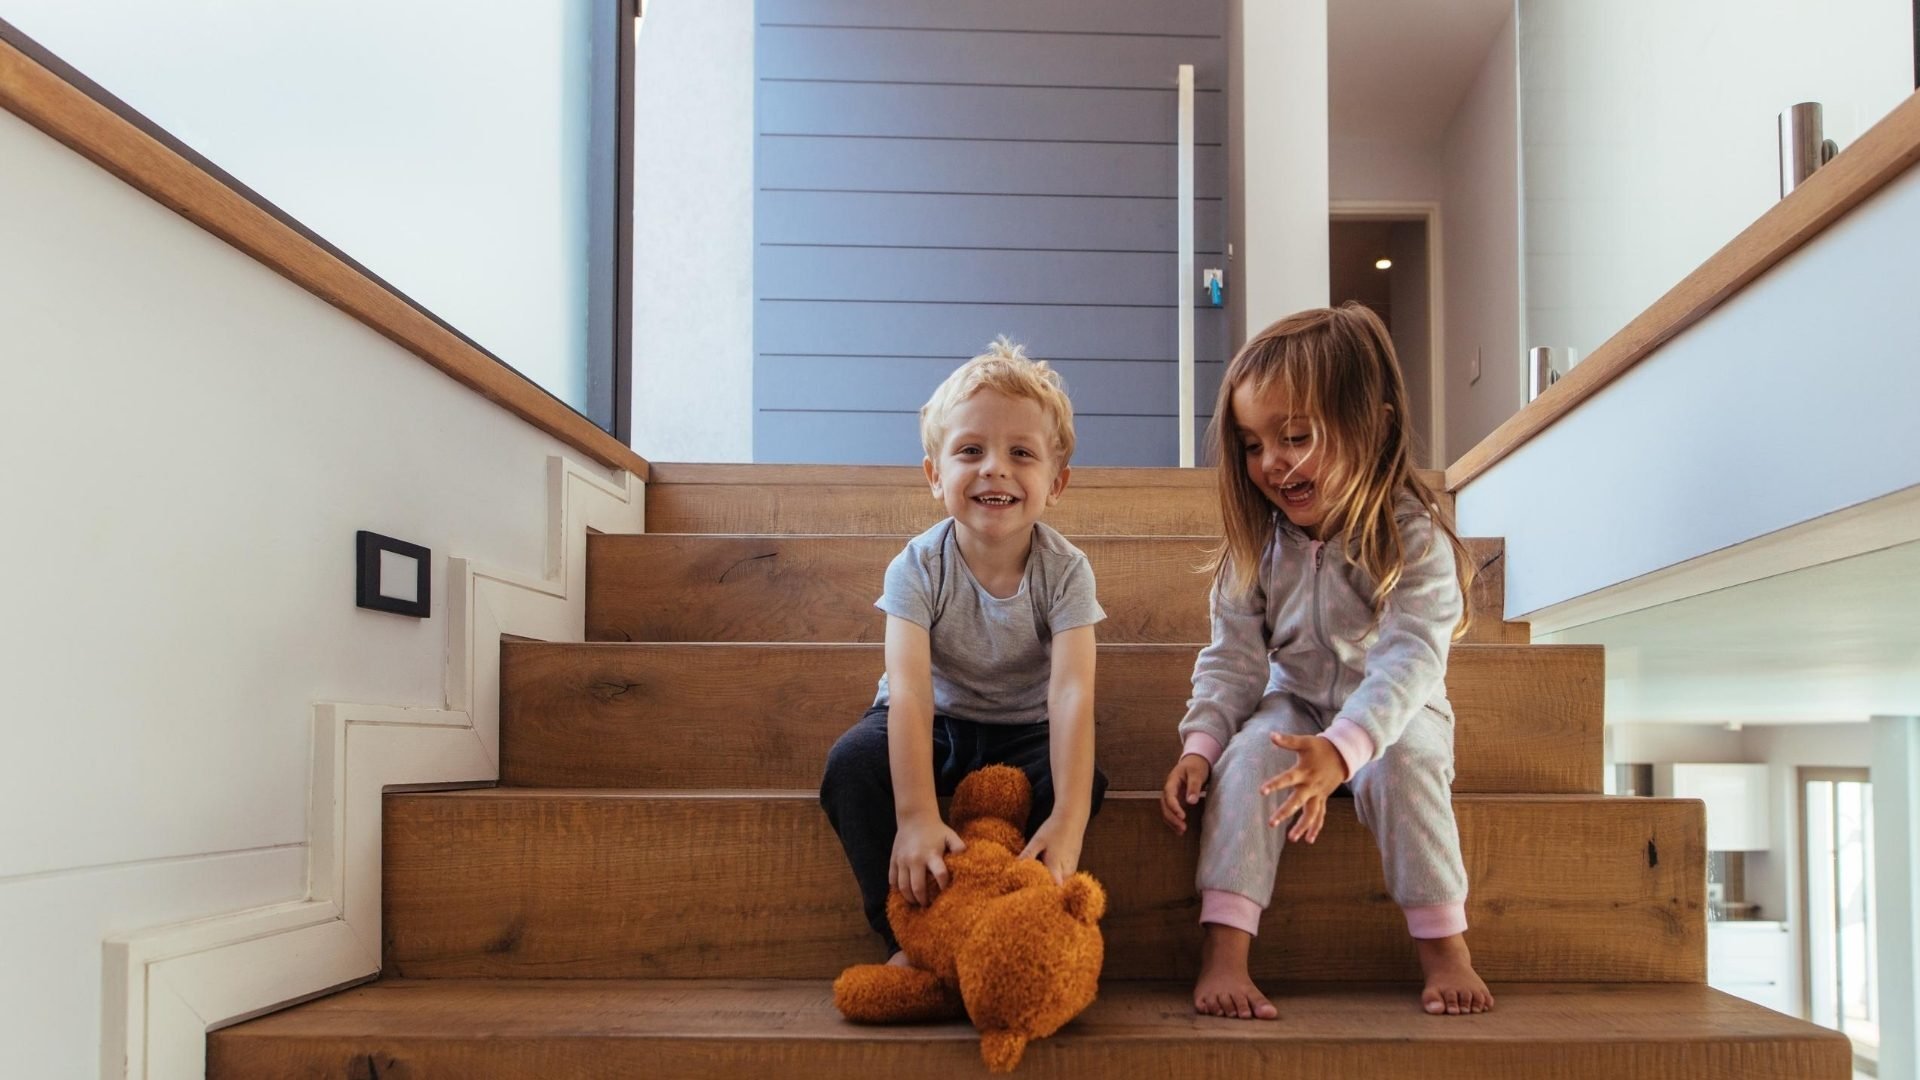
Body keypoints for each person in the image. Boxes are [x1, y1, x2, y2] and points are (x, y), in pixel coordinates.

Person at [1160, 304, 1493, 1019]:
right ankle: (1224, 952)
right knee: (1248, 758)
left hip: (1393, 712)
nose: (1270, 463)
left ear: (1369, 427)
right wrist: (1202, 743)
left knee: (1406, 763)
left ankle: (1444, 948)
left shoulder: (1413, 542)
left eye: (1296, 437)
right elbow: (1232, 662)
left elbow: (1409, 661)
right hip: (1295, 702)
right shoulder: (1260, 548)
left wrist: (1344, 751)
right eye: (1252, 445)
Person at [821, 338, 1107, 965]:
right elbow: (911, 693)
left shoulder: (1066, 571)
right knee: (850, 767)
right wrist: (919, 813)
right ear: (935, 475)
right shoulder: (918, 566)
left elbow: (1071, 693)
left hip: (1025, 731)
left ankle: (1016, 927)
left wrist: (1070, 821)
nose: (994, 468)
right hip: (939, 725)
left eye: (1021, 453)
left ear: (1055, 484)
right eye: (970, 450)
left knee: (1086, 783)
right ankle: (913, 940)